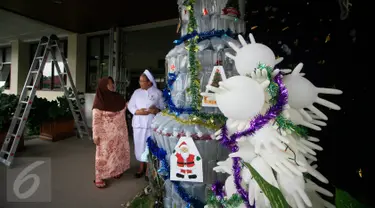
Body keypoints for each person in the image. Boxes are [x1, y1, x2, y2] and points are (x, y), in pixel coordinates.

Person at [92, 76, 130, 188]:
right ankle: (99, 177)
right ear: (104, 86)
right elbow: (96, 119)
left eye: (112, 83)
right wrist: (95, 134)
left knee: (117, 154)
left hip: (118, 134)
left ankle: (116, 171)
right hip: (105, 135)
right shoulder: (100, 100)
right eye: (109, 84)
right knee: (102, 156)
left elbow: (124, 108)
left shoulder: (117, 97)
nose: (112, 85)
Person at [127, 69, 165, 180]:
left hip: (150, 124)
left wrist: (156, 110)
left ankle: (149, 169)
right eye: (140, 81)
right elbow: (130, 105)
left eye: (143, 81)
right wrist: (137, 111)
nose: (140, 83)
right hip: (138, 124)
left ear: (150, 82)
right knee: (139, 146)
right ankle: (141, 167)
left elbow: (164, 108)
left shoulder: (158, 93)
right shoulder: (137, 92)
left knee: (149, 146)